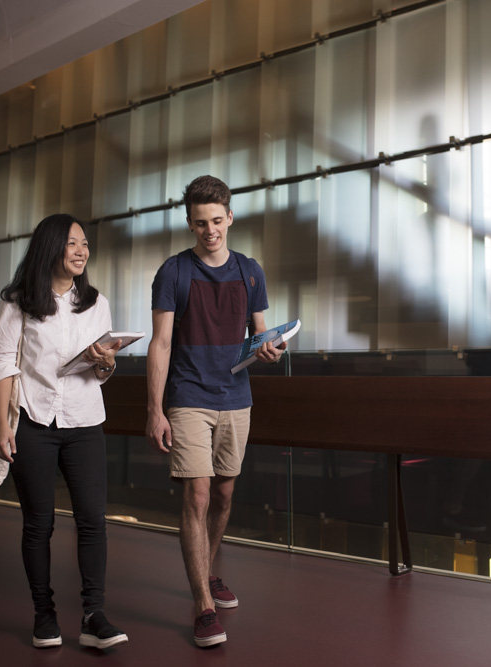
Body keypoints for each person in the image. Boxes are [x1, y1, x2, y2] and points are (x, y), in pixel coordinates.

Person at [146, 175, 286, 648]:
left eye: (217, 220)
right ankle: (204, 605)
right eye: (201, 222)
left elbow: (260, 335)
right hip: (188, 397)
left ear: (230, 216)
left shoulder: (250, 271)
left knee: (224, 495)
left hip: (237, 398)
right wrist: (155, 409)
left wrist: (270, 350)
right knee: (199, 496)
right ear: (190, 223)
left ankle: (206, 571)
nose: (210, 230)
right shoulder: (174, 272)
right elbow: (161, 343)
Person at [0, 213, 129, 650]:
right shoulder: (19, 301)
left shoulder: (97, 303)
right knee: (39, 524)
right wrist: (1, 427)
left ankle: (93, 615)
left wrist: (105, 361)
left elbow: (103, 371)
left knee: (93, 522)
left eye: (85, 244)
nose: (82, 251)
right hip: (33, 421)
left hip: (85, 422)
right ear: (51, 247)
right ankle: (44, 615)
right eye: (72, 243)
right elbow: (2, 363)